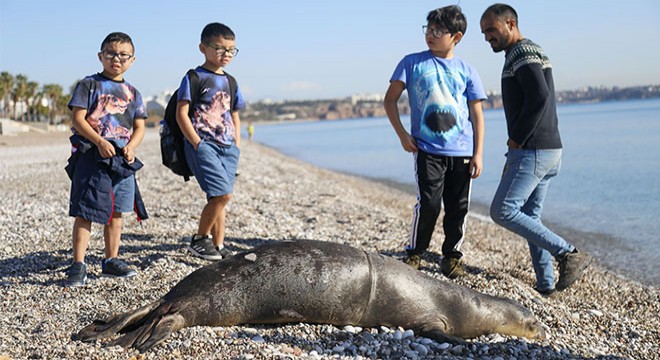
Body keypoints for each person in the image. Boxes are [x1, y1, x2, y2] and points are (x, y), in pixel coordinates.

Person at [480, 4, 592, 295]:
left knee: (502, 210)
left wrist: (515, 139)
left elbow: (539, 96)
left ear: (511, 23)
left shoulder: (521, 52)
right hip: (549, 148)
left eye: (491, 30)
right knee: (530, 216)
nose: (487, 37)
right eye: (484, 32)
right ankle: (545, 285)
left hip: (532, 150)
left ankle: (568, 253)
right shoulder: (528, 51)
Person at [384, 5, 486, 278]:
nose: (431, 34)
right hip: (427, 149)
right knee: (428, 203)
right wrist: (403, 135)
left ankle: (452, 257)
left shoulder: (467, 70)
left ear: (457, 36)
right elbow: (389, 100)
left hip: (462, 150)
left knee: (458, 207)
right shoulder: (411, 62)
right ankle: (415, 253)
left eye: (439, 30)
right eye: (428, 29)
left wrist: (478, 153)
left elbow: (477, 114)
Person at [64, 32, 148, 287]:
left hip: (122, 159)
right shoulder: (89, 85)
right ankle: (78, 264)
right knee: (85, 210)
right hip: (93, 154)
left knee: (117, 212)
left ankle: (111, 260)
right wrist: (99, 141)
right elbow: (78, 119)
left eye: (123, 55)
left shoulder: (133, 92)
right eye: (111, 54)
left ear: (132, 60)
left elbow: (140, 127)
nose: (117, 59)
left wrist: (132, 147)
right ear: (101, 56)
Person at [176, 22, 246, 260]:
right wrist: (197, 143)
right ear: (203, 48)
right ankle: (199, 239)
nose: (225, 54)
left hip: (228, 147)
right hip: (204, 145)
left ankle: (218, 245)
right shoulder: (195, 77)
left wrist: (237, 143)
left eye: (231, 50)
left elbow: (234, 115)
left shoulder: (231, 81)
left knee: (219, 197)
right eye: (219, 48)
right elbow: (181, 113)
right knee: (223, 195)